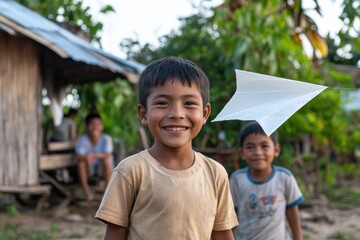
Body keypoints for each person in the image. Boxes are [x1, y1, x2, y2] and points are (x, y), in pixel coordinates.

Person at [95, 56, 239, 240]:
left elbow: (222, 234)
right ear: (143, 113)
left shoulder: (216, 173)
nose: (176, 114)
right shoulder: (130, 171)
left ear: (204, 114)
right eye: (162, 103)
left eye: (189, 103)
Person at [230, 121, 304, 240]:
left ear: (276, 150)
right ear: (242, 153)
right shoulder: (236, 179)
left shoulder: (284, 177)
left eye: (264, 146)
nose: (258, 153)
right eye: (250, 147)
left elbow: (293, 214)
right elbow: (231, 217)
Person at [75, 112, 114, 201]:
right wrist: (86, 158)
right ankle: (87, 193)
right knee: (81, 163)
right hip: (90, 168)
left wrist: (92, 156)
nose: (95, 127)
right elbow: (79, 155)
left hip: (103, 168)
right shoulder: (83, 139)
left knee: (107, 161)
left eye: (98, 124)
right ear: (87, 127)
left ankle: (106, 192)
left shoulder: (106, 138)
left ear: (102, 126)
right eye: (92, 124)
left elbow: (108, 154)